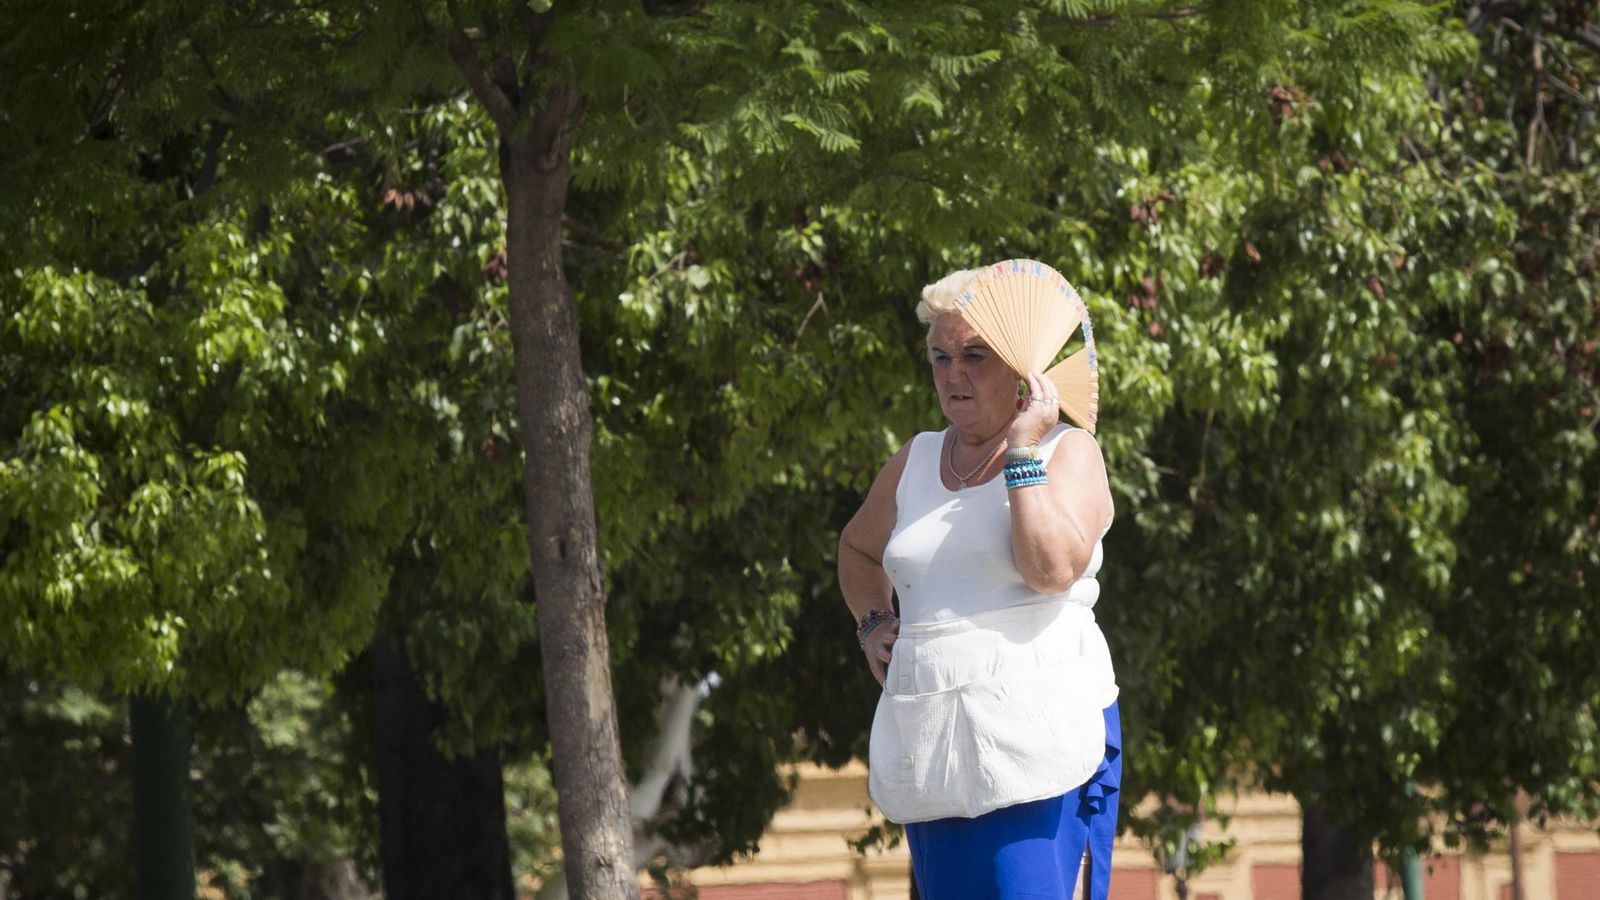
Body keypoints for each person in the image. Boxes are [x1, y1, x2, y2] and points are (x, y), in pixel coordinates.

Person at [837, 267, 1120, 900]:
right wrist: (873, 624)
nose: (952, 374)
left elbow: (1050, 571)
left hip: (1039, 739)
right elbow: (857, 549)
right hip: (933, 742)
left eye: (974, 355)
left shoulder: (1069, 453)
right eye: (940, 357)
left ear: (1023, 368)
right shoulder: (912, 459)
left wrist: (1022, 455)